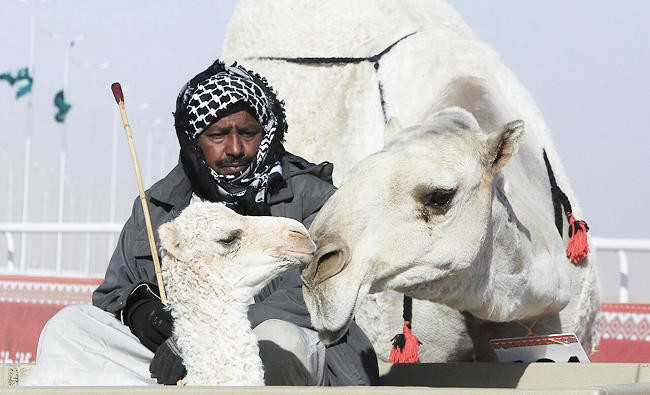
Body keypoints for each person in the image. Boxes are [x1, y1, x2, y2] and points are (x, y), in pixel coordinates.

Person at [26, 60, 378, 387]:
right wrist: (140, 311)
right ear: (194, 142)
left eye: (249, 132)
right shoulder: (159, 207)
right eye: (218, 135)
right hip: (178, 353)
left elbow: (325, 292)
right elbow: (112, 295)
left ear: (266, 132)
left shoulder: (311, 197)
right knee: (68, 328)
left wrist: (202, 332)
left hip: (282, 348)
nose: (235, 148)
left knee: (276, 340)